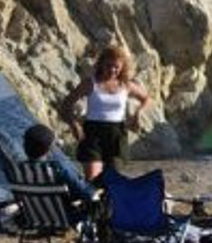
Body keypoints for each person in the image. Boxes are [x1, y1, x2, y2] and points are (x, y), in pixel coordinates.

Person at [60, 45, 151, 181]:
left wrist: (138, 113)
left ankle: (108, 202)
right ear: (101, 63)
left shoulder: (126, 85)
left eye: (116, 67)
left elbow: (147, 99)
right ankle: (91, 201)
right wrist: (74, 124)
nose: (112, 70)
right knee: (92, 177)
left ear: (122, 67)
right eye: (109, 65)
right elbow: (66, 104)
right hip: (93, 133)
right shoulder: (90, 83)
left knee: (113, 179)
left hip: (116, 133)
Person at [21, 124, 95, 223]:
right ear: (48, 149)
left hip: (35, 217)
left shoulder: (20, 170)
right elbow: (84, 191)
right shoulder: (57, 168)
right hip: (66, 217)